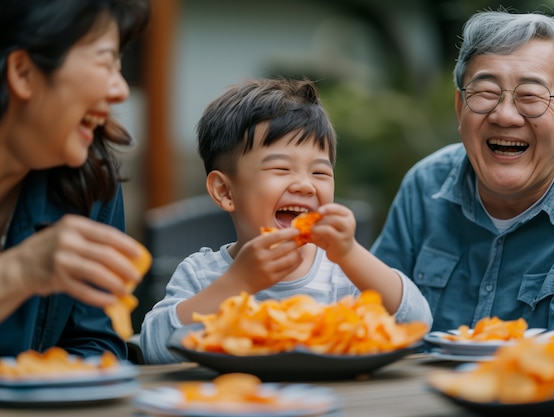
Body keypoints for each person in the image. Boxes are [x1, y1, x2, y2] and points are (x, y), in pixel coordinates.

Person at [141, 78, 432, 364]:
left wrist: (351, 254)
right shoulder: (202, 275)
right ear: (225, 191)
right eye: (281, 169)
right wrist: (236, 283)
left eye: (320, 173)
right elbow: (154, 348)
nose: (305, 185)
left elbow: (418, 323)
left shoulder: (343, 274)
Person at [371, 9, 554, 332]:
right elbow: (369, 323)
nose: (505, 116)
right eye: (486, 93)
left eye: (531, 96)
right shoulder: (425, 186)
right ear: (460, 107)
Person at [0, 0, 150, 359]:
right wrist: (21, 270)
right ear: (23, 72)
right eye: (105, 62)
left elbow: (96, 343)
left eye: (121, 66)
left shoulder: (93, 184)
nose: (120, 90)